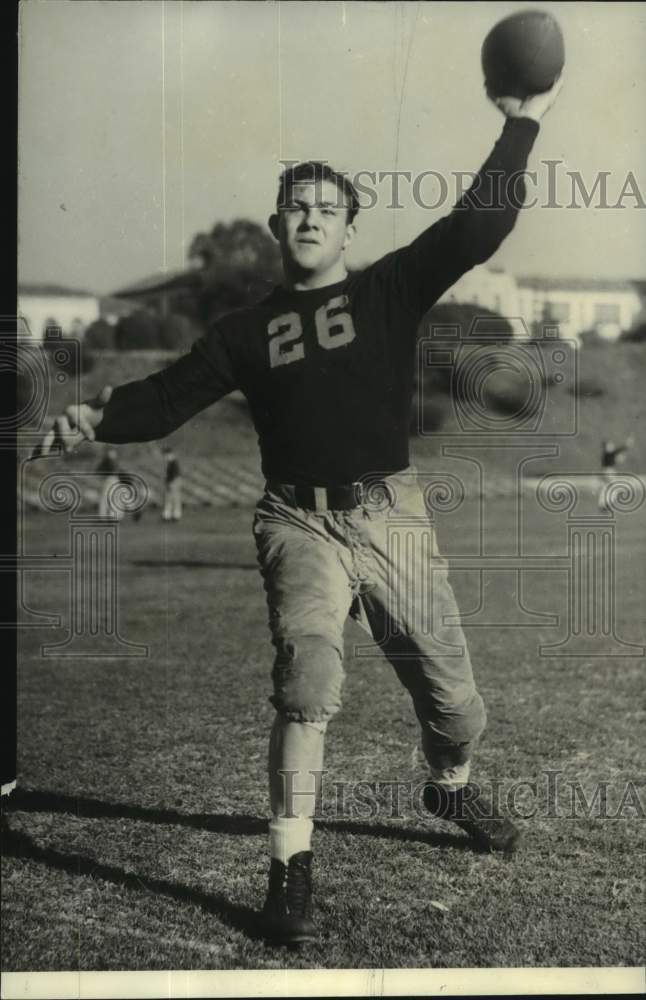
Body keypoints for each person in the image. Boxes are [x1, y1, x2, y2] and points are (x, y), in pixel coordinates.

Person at [36, 77, 562, 946]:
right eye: (296, 206)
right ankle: (289, 864)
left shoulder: (390, 290)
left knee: (459, 707)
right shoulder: (246, 331)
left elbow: (480, 225)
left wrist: (524, 122)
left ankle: (452, 781)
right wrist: (96, 414)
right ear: (278, 227)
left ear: (350, 228)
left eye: (327, 207)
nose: (311, 218)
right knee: (308, 683)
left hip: (390, 516)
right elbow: (167, 398)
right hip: (297, 521)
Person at [598, 435, 634, 512]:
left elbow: (614, 458)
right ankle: (607, 504)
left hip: (606, 472)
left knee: (607, 488)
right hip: (609, 472)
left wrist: (618, 458)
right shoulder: (609, 453)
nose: (612, 446)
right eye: (610, 445)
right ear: (606, 447)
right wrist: (627, 445)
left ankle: (603, 505)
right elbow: (618, 451)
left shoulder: (607, 454)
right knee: (613, 488)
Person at [95, 446, 122, 519]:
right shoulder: (108, 461)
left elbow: (98, 470)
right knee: (109, 497)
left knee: (108, 498)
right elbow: (98, 470)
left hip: (110, 479)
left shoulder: (108, 461)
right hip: (110, 479)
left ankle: (107, 515)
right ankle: (109, 515)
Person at [161, 446, 182, 522]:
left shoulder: (173, 462)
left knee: (171, 499)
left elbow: (174, 474)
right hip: (173, 481)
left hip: (173, 482)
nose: (165, 457)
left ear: (169, 454)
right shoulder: (171, 462)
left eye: (165, 455)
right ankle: (171, 515)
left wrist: (170, 482)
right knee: (172, 499)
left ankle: (171, 515)